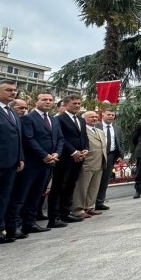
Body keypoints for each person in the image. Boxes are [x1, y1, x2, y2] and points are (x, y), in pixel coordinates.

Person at [6, 91, 62, 235]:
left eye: (50, 100)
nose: (48, 102)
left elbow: (60, 138)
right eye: (44, 99)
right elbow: (29, 139)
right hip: (32, 163)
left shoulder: (54, 119)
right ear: (36, 102)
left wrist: (56, 153)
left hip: (49, 163)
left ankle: (30, 223)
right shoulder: (28, 118)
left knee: (37, 195)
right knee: (22, 195)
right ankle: (15, 225)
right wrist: (44, 155)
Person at [0, 79, 24, 243]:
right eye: (8, 90)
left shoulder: (12, 112)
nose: (13, 93)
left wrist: (20, 157)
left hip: (12, 162)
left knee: (3, 197)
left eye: (14, 90)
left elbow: (17, 137)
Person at [52, 94, 89, 226]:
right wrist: (73, 151)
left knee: (70, 185)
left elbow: (84, 137)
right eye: (74, 103)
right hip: (65, 158)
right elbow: (61, 138)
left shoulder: (81, 120)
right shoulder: (59, 119)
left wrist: (85, 149)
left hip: (79, 158)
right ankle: (54, 216)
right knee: (59, 186)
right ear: (66, 104)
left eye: (79, 103)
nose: (77, 106)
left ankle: (66, 213)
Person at [72, 111, 106, 218]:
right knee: (82, 188)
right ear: (84, 119)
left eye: (96, 116)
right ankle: (78, 209)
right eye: (91, 117)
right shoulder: (81, 131)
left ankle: (90, 207)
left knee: (94, 187)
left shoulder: (100, 131)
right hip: (87, 163)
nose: (95, 118)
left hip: (99, 163)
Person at [95, 109, 124, 211]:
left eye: (112, 115)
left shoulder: (117, 128)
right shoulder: (96, 126)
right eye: (108, 114)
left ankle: (99, 202)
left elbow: (120, 142)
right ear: (103, 115)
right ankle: (89, 203)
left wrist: (120, 155)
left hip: (111, 156)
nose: (110, 116)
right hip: (97, 156)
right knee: (94, 179)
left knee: (105, 180)